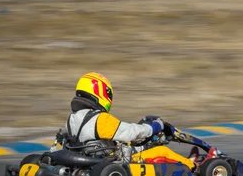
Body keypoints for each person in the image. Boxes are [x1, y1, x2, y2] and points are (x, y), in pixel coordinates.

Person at [61, 72, 196, 168]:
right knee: (161, 151)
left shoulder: (71, 119)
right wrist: (153, 128)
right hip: (110, 160)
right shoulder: (100, 119)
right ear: (99, 93)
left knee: (141, 145)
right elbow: (131, 133)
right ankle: (194, 166)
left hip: (90, 157)